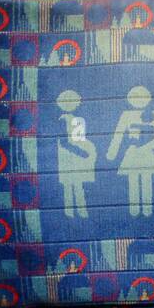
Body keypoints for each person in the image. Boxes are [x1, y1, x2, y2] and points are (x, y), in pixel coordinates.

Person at [106, 85, 154, 216]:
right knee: (133, 181)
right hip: (131, 153)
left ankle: (147, 209)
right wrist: (112, 151)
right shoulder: (126, 115)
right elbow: (119, 134)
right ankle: (134, 209)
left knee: (146, 179)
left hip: (145, 153)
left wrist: (144, 146)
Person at [55, 89, 95, 217]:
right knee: (68, 185)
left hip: (77, 157)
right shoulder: (63, 119)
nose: (78, 104)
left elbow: (80, 139)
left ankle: (81, 210)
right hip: (68, 157)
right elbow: (64, 142)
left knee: (78, 183)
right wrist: (82, 152)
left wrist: (88, 149)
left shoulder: (77, 120)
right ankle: (70, 212)